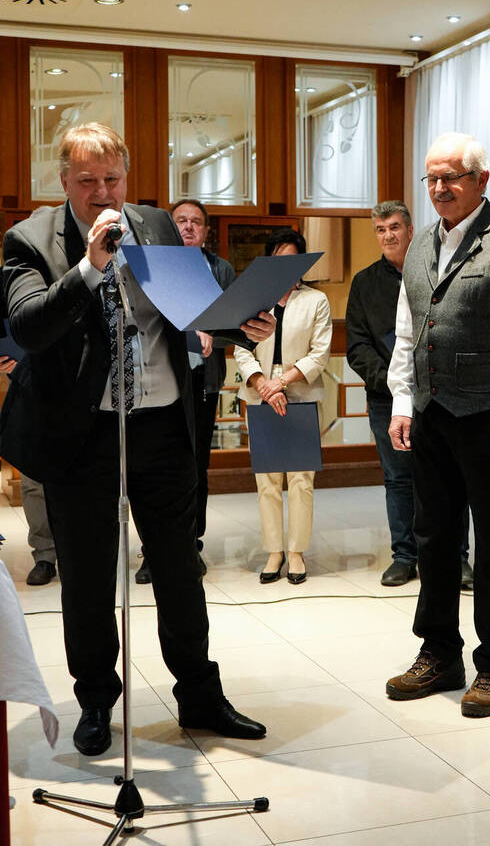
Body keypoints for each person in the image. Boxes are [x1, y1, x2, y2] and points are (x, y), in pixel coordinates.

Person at [0, 122, 277, 756]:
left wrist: (240, 326)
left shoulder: (154, 224)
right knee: (90, 577)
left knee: (179, 570)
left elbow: (191, 310)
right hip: (82, 433)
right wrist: (89, 267)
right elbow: (30, 327)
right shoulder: (31, 239)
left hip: (163, 424)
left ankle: (200, 695)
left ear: (127, 177)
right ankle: (97, 699)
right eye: (87, 181)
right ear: (63, 181)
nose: (103, 193)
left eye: (113, 179)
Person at [386, 132, 490, 718]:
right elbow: (407, 328)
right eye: (431, 178)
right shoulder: (421, 243)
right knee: (433, 538)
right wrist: (402, 401)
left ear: (481, 180)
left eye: (451, 177)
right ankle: (439, 653)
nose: (439, 188)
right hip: (431, 414)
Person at [346, 200, 474, 588]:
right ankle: (404, 556)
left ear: (410, 229)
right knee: (398, 479)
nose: (388, 236)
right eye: (381, 229)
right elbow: (357, 346)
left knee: (449, 478)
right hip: (386, 398)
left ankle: (456, 557)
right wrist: (393, 381)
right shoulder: (364, 283)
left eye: (395, 227)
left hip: (440, 395)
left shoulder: (437, 269)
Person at [134, 198, 236, 584]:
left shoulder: (220, 269)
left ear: (206, 231)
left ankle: (192, 545)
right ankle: (152, 551)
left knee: (196, 466)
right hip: (162, 384)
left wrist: (214, 333)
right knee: (154, 469)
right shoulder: (153, 268)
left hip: (203, 382)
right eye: (181, 221)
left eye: (196, 222)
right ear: (169, 228)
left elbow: (234, 325)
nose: (189, 227)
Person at [234, 228, 331, 585]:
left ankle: (296, 552)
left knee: (302, 479)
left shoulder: (316, 301)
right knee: (267, 479)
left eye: (292, 259)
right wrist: (263, 383)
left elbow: (319, 354)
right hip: (260, 390)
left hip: (300, 390)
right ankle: (274, 552)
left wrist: (282, 382)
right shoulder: (252, 297)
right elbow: (241, 347)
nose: (285, 265)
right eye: (278, 259)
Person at [0, 352, 57, 585]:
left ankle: (83, 551)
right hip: (28, 386)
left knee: (83, 480)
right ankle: (44, 556)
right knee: (33, 481)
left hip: (80, 388)